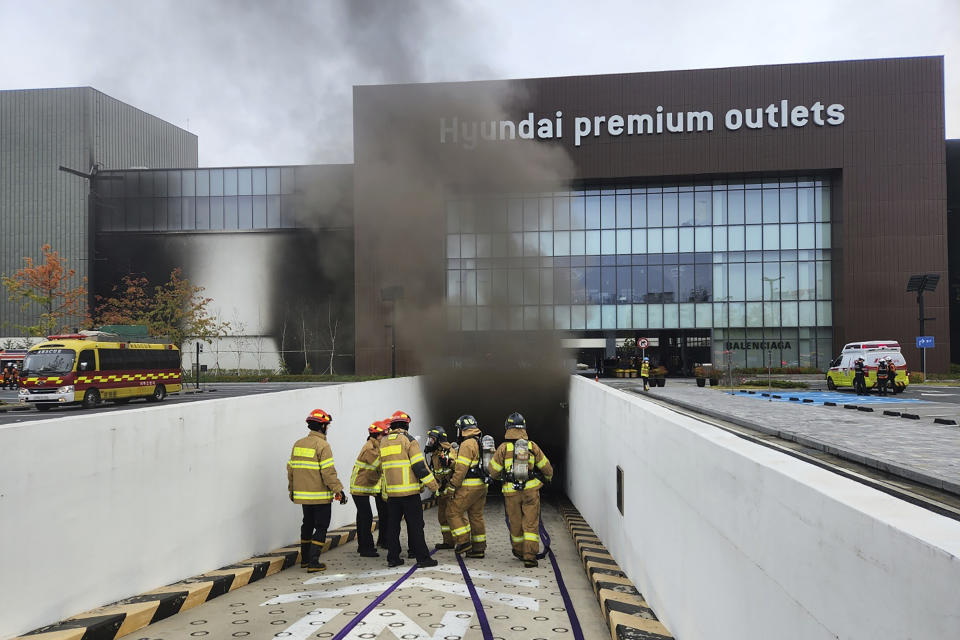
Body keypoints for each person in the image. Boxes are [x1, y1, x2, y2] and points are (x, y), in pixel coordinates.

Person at [488, 412, 554, 568]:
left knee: (515, 523)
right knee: (531, 524)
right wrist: (548, 479)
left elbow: (493, 471)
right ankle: (530, 556)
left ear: (507, 428)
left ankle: (518, 551)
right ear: (523, 428)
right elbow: (547, 468)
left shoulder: (504, 448)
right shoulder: (532, 446)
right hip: (531, 491)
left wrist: (502, 479)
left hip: (511, 492)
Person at [288, 408, 347, 573]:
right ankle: (314, 562)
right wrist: (339, 490)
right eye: (326, 425)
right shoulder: (323, 445)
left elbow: (291, 470)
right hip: (320, 497)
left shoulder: (298, 444)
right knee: (321, 527)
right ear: (322, 427)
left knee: (307, 524)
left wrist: (291, 491)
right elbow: (328, 473)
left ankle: (305, 560)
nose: (327, 428)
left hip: (303, 497)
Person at [380, 410, 439, 568]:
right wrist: (434, 486)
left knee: (393, 527)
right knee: (415, 526)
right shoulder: (409, 440)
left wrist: (385, 493)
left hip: (392, 494)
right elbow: (420, 467)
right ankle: (423, 558)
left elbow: (383, 470)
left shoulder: (384, 442)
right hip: (409, 493)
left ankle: (393, 558)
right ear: (406, 425)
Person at [446, 414, 488, 558]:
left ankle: (464, 542)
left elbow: (461, 469)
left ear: (462, 429)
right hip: (482, 486)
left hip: (469, 486)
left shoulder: (466, 444)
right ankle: (478, 548)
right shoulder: (480, 441)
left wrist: (452, 485)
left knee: (452, 512)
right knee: (476, 516)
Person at [351, 418, 389, 557]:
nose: (386, 437)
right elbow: (379, 464)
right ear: (378, 435)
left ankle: (362, 546)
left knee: (362, 517)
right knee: (366, 518)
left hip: (363, 487)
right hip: (359, 488)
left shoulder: (374, 445)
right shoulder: (370, 448)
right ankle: (367, 548)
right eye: (384, 435)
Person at [425, 426, 456, 549]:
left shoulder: (449, 451)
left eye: (432, 439)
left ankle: (462, 541)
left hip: (450, 491)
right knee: (442, 517)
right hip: (442, 491)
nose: (430, 442)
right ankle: (448, 542)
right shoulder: (435, 454)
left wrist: (449, 462)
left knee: (453, 516)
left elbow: (458, 467)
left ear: (439, 440)